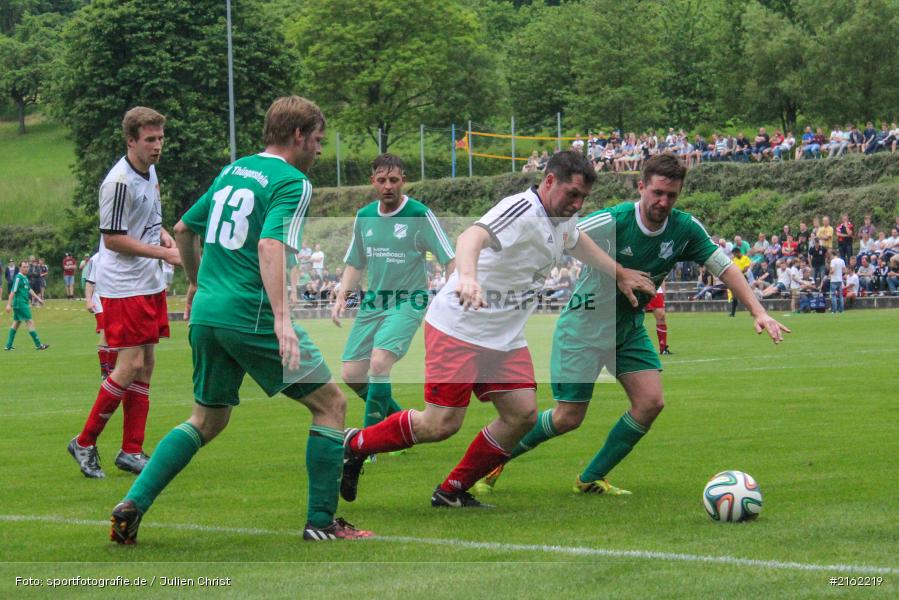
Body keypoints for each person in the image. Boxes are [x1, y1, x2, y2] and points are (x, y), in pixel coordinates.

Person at [109, 95, 372, 544]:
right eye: (318, 141)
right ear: (298, 137)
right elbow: (271, 247)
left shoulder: (235, 169)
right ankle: (322, 522)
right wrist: (283, 320)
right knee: (331, 405)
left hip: (209, 312)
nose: (319, 150)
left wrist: (194, 283)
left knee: (207, 419)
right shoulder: (293, 181)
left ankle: (132, 503)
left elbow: (185, 229)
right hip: (249, 313)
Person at [339, 151, 655, 509]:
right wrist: (468, 277)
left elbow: (576, 240)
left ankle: (451, 489)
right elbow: (471, 237)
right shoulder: (521, 208)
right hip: (458, 328)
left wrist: (619, 272)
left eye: (583, 198)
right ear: (549, 181)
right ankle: (356, 444)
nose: (577, 204)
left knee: (522, 414)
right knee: (440, 424)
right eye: (572, 194)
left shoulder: (562, 217)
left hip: (503, 338)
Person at [473, 154, 789, 497]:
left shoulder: (685, 228)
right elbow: (565, 236)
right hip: (584, 326)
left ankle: (591, 477)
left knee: (650, 402)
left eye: (671, 195)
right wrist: (616, 272)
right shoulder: (613, 220)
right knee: (568, 417)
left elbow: (723, 267)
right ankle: (494, 459)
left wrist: (758, 311)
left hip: (627, 329)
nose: (663, 202)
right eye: (656, 192)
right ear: (641, 187)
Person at [68, 107, 181, 480]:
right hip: (123, 284)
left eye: (160, 138)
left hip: (147, 280)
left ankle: (131, 450)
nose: (158, 146)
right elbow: (113, 239)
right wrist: (165, 252)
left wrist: (162, 233)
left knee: (146, 365)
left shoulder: (150, 171)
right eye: (150, 140)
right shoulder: (118, 182)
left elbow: (150, 216)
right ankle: (84, 441)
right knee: (129, 365)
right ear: (130, 140)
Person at [332, 154, 456, 429]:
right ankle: (402, 427)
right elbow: (355, 262)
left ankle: (370, 443)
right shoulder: (364, 217)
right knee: (352, 374)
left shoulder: (419, 214)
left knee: (378, 363)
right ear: (373, 181)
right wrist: (342, 295)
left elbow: (449, 258)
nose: (388, 185)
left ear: (404, 181)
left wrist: (450, 297)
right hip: (374, 302)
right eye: (382, 180)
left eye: (394, 180)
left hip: (409, 301)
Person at [4, 259, 50, 351]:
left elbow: (29, 290)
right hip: (20, 304)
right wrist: (8, 304)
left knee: (16, 323)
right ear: (20, 268)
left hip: (22, 304)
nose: (26, 268)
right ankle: (38, 345)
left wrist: (39, 299)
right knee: (30, 322)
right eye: (24, 267)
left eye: (27, 267)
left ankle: (8, 346)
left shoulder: (25, 278)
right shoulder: (18, 278)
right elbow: (13, 292)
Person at [83, 252, 116, 379]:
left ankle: (111, 369)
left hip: (116, 299)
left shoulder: (119, 254)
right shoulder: (95, 259)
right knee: (106, 333)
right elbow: (90, 281)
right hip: (100, 300)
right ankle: (105, 369)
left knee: (116, 334)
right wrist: (88, 300)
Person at [644, 280, 670, 354]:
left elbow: (663, 272)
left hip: (656, 288)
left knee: (661, 316)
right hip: (640, 284)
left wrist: (663, 288)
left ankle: (663, 348)